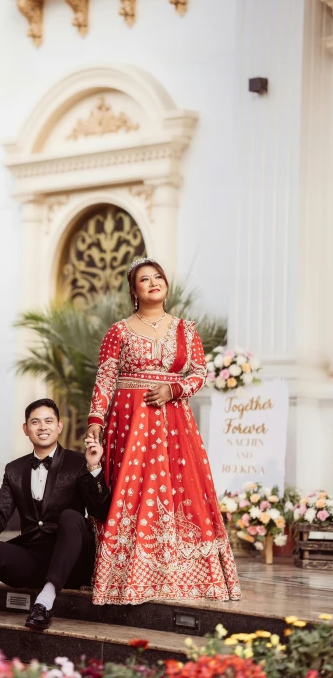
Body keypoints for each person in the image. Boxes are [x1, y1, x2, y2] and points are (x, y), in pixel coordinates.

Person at [86, 257, 241, 605]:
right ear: (134, 290)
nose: (154, 282)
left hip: (173, 423)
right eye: (145, 279)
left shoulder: (186, 329)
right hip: (130, 422)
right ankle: (128, 578)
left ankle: (180, 576)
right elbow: (106, 377)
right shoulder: (119, 331)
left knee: (179, 490)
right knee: (133, 491)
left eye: (159, 277)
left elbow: (199, 372)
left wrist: (174, 390)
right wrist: (96, 420)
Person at [0, 397, 111, 664]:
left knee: (71, 517)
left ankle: (45, 601)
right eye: (35, 422)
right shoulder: (14, 469)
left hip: (72, 561)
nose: (43, 427)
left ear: (59, 426)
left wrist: (95, 468)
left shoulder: (79, 462)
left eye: (49, 421)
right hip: (34, 557)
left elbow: (101, 511)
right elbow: (0, 510)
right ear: (25, 429)